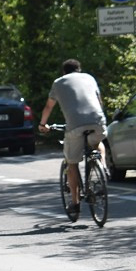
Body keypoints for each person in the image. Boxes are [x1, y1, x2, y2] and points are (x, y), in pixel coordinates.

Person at [38, 58, 107, 213]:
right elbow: (99, 102)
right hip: (97, 120)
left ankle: (75, 203)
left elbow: (49, 106)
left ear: (64, 72)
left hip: (75, 125)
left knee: (72, 163)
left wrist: (43, 125)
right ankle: (103, 168)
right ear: (79, 70)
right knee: (98, 143)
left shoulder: (58, 83)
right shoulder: (89, 78)